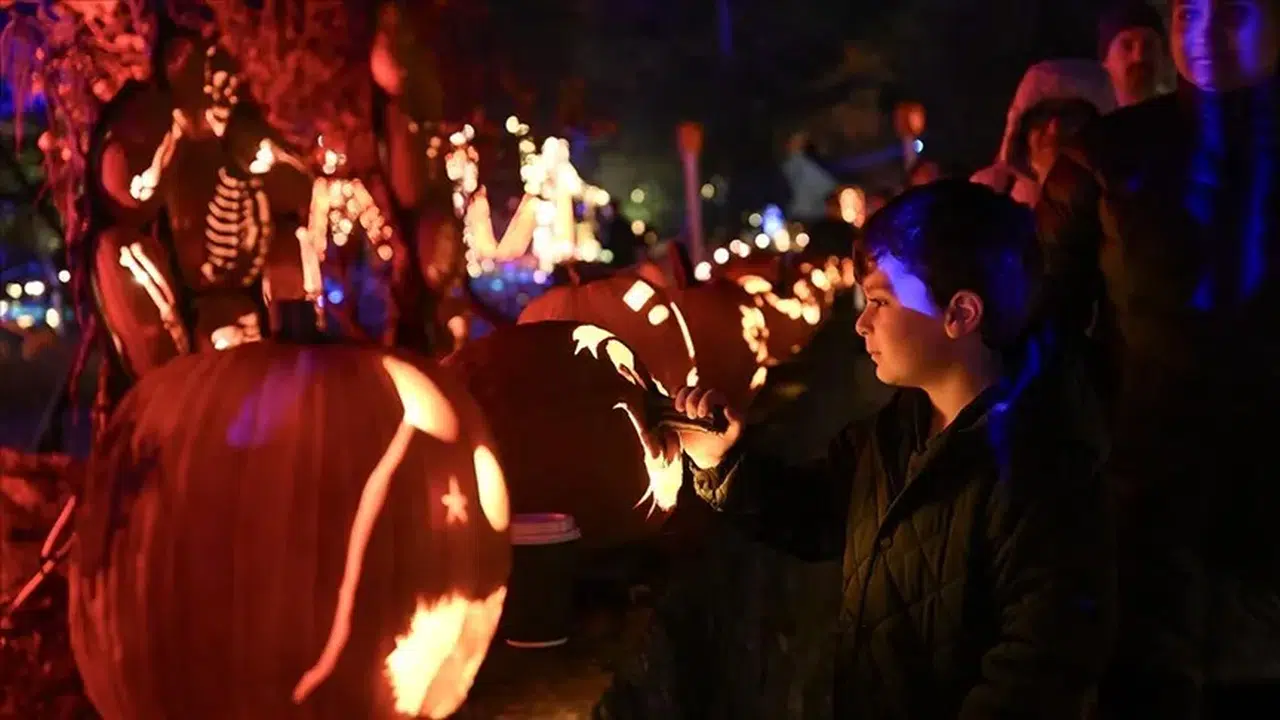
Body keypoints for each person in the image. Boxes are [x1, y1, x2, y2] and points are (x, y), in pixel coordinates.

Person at [652, 180, 1115, 718]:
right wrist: (723, 460)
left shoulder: (1043, 470)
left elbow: (1041, 669)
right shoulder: (895, 431)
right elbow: (814, 515)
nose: (862, 321)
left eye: (880, 300)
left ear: (960, 314)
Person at [1036, 0, 1280, 716]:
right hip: (1147, 503)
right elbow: (1045, 324)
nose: (1203, 33)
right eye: (1185, 12)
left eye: (1232, 11)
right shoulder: (1104, 156)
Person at [971, 59, 1116, 205]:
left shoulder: (1118, 203)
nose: (1054, 128)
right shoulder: (990, 194)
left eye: (1070, 116)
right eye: (1042, 115)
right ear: (1022, 128)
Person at [1099, 1, 1168, 108]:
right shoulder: (1093, 123)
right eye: (1127, 46)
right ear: (1105, 58)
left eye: (1148, 45)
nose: (1139, 57)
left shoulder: (1189, 119)